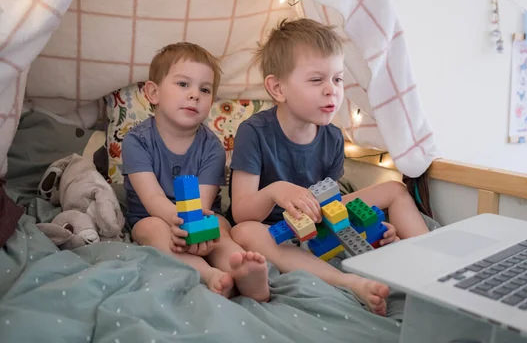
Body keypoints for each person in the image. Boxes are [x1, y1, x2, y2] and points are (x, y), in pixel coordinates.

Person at [228, 19, 430, 316]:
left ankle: (432, 265)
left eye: (337, 79)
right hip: (273, 226)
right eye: (316, 80)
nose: (331, 91)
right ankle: (348, 281)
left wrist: (371, 228)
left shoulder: (333, 136)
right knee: (244, 232)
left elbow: (331, 206)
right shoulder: (253, 132)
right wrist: (275, 191)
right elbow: (241, 211)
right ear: (278, 87)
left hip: (319, 214)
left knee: (394, 190)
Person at [122, 42, 269, 302]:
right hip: (153, 215)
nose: (195, 95)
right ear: (153, 93)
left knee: (220, 232)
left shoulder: (213, 147)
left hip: (200, 214)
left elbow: (201, 203)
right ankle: (209, 275)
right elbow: (153, 199)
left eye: (204, 89)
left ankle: (243, 270)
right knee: (153, 231)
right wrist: (180, 226)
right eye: (183, 84)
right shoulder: (137, 141)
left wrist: (196, 230)